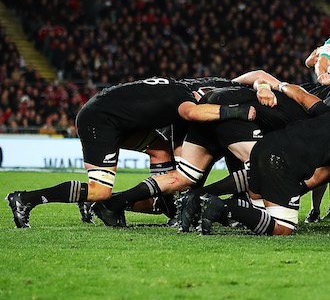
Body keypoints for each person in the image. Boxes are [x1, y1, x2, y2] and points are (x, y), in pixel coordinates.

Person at [6, 77, 256, 228]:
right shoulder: (184, 99)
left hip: (111, 114)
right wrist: (237, 112)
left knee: (159, 149)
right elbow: (193, 113)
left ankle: (169, 214)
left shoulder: (174, 86)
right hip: (100, 121)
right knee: (99, 190)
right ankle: (26, 199)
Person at [199, 114, 330, 238]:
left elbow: (323, 172)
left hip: (265, 146)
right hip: (282, 161)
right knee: (283, 228)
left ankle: (200, 197)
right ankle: (223, 207)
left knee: (261, 217)